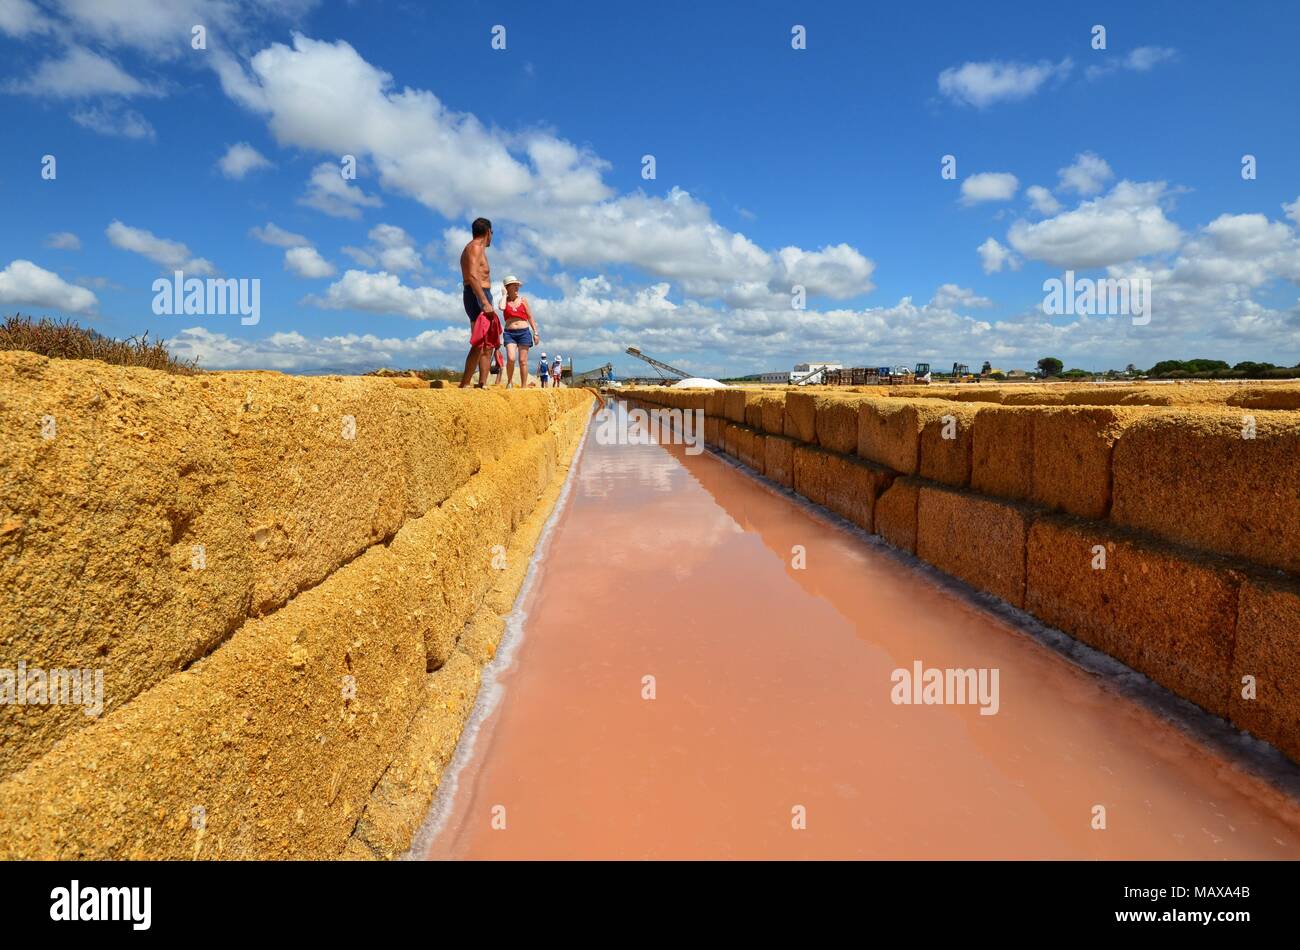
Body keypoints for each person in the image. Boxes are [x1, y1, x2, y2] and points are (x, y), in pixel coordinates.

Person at [459, 217, 498, 388]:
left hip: (482, 293)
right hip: (477, 294)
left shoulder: (479, 249)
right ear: (488, 232)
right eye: (492, 233)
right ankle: (465, 383)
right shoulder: (474, 247)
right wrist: (484, 301)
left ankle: (482, 383)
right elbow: (473, 276)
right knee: (478, 341)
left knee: (487, 344)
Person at [501, 276, 539, 388]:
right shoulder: (504, 301)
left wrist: (535, 333)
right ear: (507, 287)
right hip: (509, 333)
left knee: (523, 360)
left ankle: (523, 386)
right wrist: (504, 295)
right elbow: (501, 307)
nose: (517, 287)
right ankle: (509, 381)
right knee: (511, 358)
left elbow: (530, 317)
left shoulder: (523, 300)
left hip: (524, 332)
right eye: (514, 285)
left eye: (517, 285)